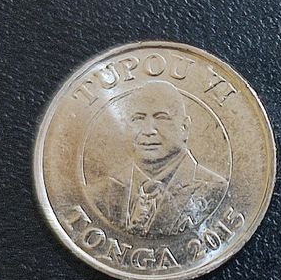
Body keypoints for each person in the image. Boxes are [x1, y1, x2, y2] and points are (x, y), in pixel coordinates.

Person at [88, 80, 227, 238]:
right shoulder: (100, 194)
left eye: (162, 118)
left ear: (185, 128)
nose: (148, 130)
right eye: (138, 119)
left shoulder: (215, 190)